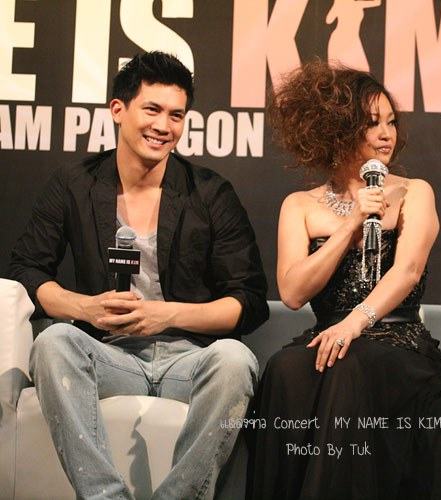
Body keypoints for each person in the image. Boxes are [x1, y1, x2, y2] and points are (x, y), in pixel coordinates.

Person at [6, 51, 269, 499]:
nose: (164, 126)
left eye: (176, 115)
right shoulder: (74, 184)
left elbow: (248, 300)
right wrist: (84, 307)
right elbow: (26, 269)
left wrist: (165, 315)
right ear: (118, 109)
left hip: (189, 359)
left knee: (235, 361)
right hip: (111, 356)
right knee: (52, 343)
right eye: (152, 110)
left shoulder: (210, 192)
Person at [249, 60, 441, 500]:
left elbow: (407, 271)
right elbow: (292, 292)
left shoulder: (415, 191)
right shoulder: (300, 206)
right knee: (285, 370)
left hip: (396, 339)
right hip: (330, 336)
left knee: (348, 365)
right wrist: (350, 224)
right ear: (337, 130)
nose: (386, 134)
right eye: (371, 123)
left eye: (391, 122)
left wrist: (355, 322)